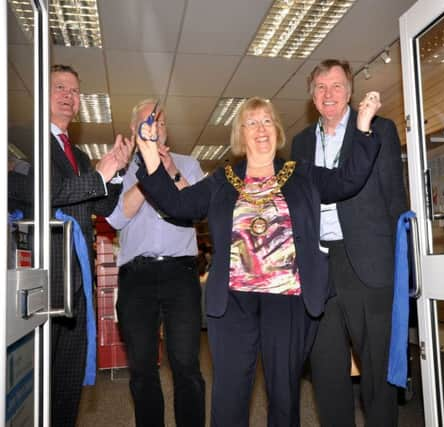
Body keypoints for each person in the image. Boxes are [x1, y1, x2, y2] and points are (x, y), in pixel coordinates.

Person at [133, 95, 382, 426]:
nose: (260, 128)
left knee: (284, 394)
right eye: (251, 122)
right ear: (240, 133)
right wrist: (151, 160)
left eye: (266, 120)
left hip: (289, 300)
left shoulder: (302, 174)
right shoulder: (222, 181)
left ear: (277, 130)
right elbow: (179, 206)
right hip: (234, 301)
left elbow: (348, 180)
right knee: (229, 396)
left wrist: (363, 128)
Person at [8, 64, 133, 426]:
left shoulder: (76, 154)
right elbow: (45, 193)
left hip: (77, 284)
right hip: (41, 285)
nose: (68, 96)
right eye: (59, 87)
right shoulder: (22, 141)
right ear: (40, 95)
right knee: (38, 386)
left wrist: (118, 171)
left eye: (75, 91)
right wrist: (100, 174)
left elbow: (103, 207)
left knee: (67, 383)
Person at [291, 59, 407, 427]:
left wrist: (405, 268)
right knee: (326, 369)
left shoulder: (378, 130)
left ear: (351, 92)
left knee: (376, 368)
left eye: (337, 86)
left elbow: (394, 198)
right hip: (321, 266)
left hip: (370, 265)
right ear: (312, 95)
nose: (329, 94)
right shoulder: (301, 143)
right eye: (321, 87)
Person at [106, 99, 206, 427]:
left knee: (187, 366)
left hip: (181, 274)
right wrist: (149, 176)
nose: (155, 126)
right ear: (136, 131)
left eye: (159, 122)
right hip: (137, 277)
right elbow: (117, 218)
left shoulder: (188, 164)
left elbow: (195, 209)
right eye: (147, 122)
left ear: (165, 130)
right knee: (142, 369)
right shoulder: (120, 170)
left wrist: (169, 172)